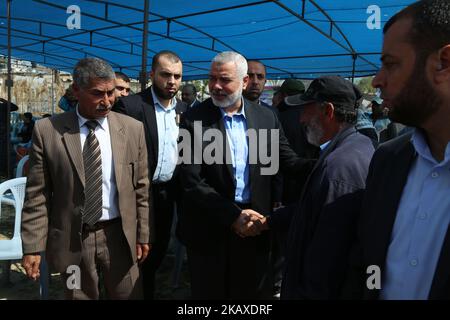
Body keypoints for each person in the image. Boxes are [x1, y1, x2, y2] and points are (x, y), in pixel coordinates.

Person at [177, 51, 314, 299]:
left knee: (250, 294)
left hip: (255, 226)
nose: (216, 87)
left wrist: (327, 162)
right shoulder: (193, 119)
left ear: (244, 82)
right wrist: (233, 216)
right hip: (210, 228)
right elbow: (191, 181)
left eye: (225, 80)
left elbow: (288, 161)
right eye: (212, 79)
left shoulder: (266, 117)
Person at [345, 0, 450, 300]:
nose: (377, 80)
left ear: (443, 62)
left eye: (390, 64)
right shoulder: (388, 159)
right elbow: (365, 263)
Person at [21, 57, 150, 300]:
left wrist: (143, 234)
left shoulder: (133, 129)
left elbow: (141, 188)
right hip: (72, 239)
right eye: (98, 93)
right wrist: (32, 246)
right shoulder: (48, 131)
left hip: (120, 237)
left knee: (128, 294)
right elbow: (37, 194)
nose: (108, 100)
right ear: (76, 91)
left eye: (111, 92)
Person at [248, 76, 375, 299]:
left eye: (306, 110)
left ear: (328, 111)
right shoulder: (350, 148)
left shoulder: (339, 167)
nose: (301, 119)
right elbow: (314, 207)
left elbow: (326, 261)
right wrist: (269, 221)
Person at [113, 50, 187, 299]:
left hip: (167, 194)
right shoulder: (131, 106)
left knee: (156, 253)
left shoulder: (185, 110)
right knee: (134, 255)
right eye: (166, 74)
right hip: (136, 195)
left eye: (177, 76)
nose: (172, 81)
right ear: (152, 74)